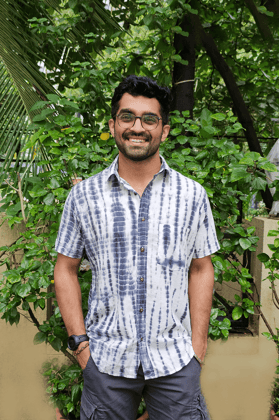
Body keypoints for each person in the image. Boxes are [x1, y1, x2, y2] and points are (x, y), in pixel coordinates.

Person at [54, 75, 220, 420]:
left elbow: (202, 267)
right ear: (113, 125)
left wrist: (197, 346)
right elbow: (65, 269)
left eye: (149, 119)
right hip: (105, 361)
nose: (137, 127)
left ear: (164, 130)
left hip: (176, 360)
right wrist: (81, 347)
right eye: (127, 117)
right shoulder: (83, 197)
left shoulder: (192, 196)